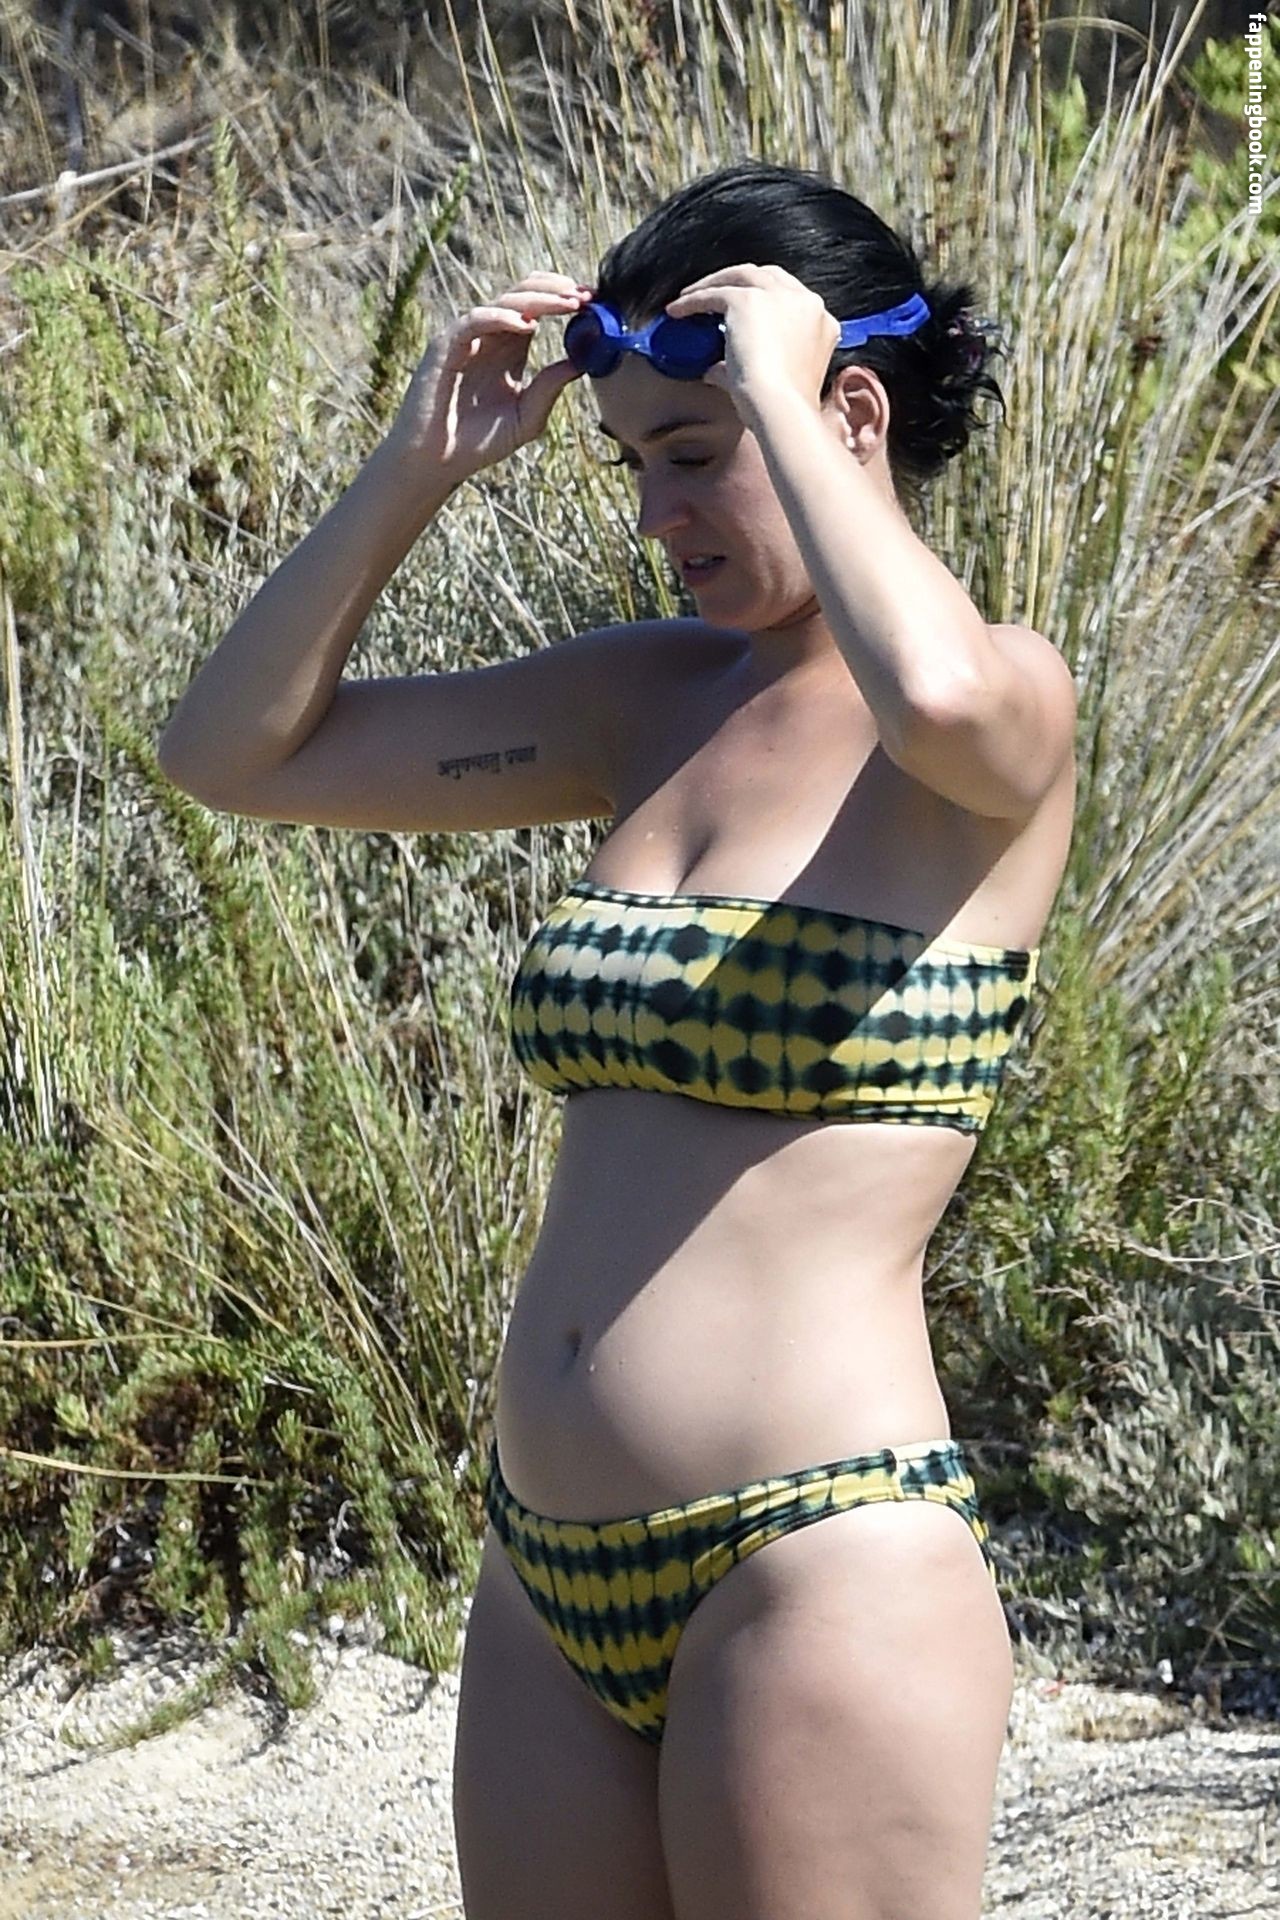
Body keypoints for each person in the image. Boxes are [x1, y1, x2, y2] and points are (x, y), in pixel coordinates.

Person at [158, 159, 1077, 1920]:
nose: (658, 516)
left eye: (693, 455)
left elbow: (940, 691)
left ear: (849, 414)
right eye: (633, 466)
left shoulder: (996, 713)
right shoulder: (643, 704)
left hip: (816, 1556)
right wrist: (416, 468)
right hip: (543, 1580)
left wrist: (784, 400)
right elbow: (231, 754)